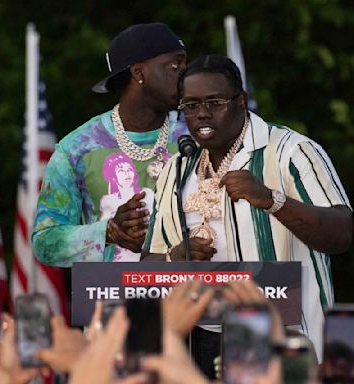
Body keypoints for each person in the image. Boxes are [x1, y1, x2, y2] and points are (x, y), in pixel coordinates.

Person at [142, 54, 352, 377]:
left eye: (215, 102)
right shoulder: (176, 168)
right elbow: (146, 263)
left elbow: (342, 232)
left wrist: (272, 200)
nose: (202, 114)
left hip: (286, 340)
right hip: (198, 344)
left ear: (241, 101)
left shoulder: (290, 152)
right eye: (191, 106)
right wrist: (174, 257)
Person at [32, 22, 188, 265]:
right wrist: (109, 231)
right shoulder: (77, 148)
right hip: (111, 298)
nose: (185, 75)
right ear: (139, 73)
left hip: (191, 295)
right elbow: (45, 243)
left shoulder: (196, 135)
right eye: (175, 65)